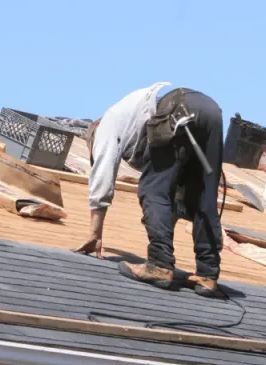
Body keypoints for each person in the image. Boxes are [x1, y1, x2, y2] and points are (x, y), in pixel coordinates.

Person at [75, 82, 225, 297]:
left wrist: (94, 233)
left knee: (153, 190)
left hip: (178, 107)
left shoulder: (107, 124)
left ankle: (160, 265)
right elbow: (178, 193)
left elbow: (103, 173)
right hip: (209, 109)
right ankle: (207, 274)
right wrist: (162, 222)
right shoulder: (131, 112)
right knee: (203, 195)